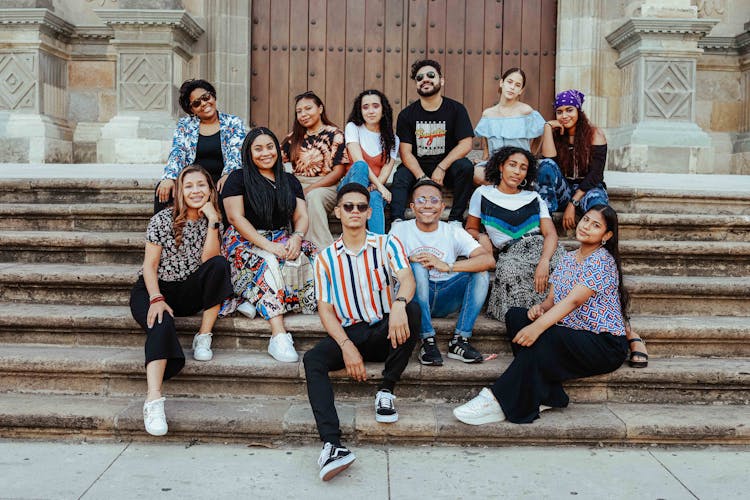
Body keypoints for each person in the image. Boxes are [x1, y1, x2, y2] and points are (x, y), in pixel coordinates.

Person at [453, 205, 629, 425]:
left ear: (607, 235)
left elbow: (573, 301)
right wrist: (540, 310)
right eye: (585, 220)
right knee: (516, 316)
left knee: (547, 338)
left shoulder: (602, 261)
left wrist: (538, 327)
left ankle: (497, 399)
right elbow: (551, 301)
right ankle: (549, 394)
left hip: (604, 344)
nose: (586, 227)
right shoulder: (567, 258)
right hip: (572, 334)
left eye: (596, 225)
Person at [303, 183, 420, 481]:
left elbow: (406, 279)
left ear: (369, 212)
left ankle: (386, 390)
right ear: (337, 211)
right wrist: (344, 344)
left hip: (385, 329)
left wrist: (398, 305)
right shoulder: (325, 258)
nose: (354, 211)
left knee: (413, 310)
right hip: (351, 331)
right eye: (348, 206)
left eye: (360, 207)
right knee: (313, 360)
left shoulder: (386, 243)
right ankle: (333, 444)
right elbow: (325, 309)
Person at [130, 165, 232, 436]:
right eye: (189, 186)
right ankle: (153, 400)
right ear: (180, 191)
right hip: (154, 289)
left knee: (220, 265)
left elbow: (209, 262)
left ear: (210, 190)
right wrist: (156, 298)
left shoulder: (214, 219)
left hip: (187, 290)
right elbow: (149, 266)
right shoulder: (162, 220)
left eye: (202, 185)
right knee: (161, 322)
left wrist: (212, 221)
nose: (196, 191)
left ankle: (204, 335)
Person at [220, 127, 318, 363]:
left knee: (314, 255)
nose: (265, 153)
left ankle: (255, 299)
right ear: (248, 152)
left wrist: (296, 237)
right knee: (267, 263)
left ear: (277, 149)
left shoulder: (290, 181)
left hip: (281, 237)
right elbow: (236, 218)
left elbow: (301, 215)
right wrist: (267, 245)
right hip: (244, 241)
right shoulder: (238, 178)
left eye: (270, 147)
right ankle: (279, 334)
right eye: (258, 148)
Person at [389, 179, 494, 366]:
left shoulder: (453, 231)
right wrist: (409, 260)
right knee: (418, 267)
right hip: (416, 298)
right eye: (421, 200)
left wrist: (447, 266)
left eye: (434, 200)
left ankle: (459, 341)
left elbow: (488, 260)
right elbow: (385, 261)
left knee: (481, 273)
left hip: (447, 295)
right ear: (412, 207)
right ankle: (427, 341)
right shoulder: (400, 229)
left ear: (442, 206)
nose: (427, 205)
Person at [466, 146, 565, 321]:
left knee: (563, 268)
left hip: (542, 248)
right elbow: (470, 228)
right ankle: (528, 320)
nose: (517, 172)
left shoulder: (534, 197)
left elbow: (550, 234)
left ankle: (556, 316)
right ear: (501, 166)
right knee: (509, 272)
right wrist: (481, 236)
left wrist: (544, 260)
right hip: (512, 253)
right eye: (512, 165)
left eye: (523, 168)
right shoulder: (482, 194)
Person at [390, 59, 475, 225]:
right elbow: (405, 153)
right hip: (418, 167)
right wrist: (421, 177)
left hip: (447, 168)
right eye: (420, 78)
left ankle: (456, 220)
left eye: (430, 75)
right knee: (400, 176)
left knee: (465, 167)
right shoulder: (406, 115)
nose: (425, 79)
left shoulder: (456, 109)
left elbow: (466, 144)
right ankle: (397, 222)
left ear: (441, 81)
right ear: (416, 85)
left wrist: (442, 167)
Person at [155, 79, 246, 213]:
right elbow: (177, 152)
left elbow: (236, 152)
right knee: (164, 188)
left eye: (206, 97)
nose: (204, 103)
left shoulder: (233, 122)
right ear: (192, 110)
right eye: (197, 103)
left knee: (230, 186)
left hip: (222, 179)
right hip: (194, 181)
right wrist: (169, 177)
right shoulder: (185, 125)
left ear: (213, 96)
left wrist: (229, 174)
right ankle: (162, 232)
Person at [281, 91, 352, 249]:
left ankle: (320, 249)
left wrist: (308, 189)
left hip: (326, 186)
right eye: (299, 111)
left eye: (308, 109)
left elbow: (338, 172)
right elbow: (275, 160)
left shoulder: (335, 135)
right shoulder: (293, 138)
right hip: (298, 182)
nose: (303, 114)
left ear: (320, 109)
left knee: (313, 196)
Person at [537, 89, 609, 230]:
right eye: (559, 112)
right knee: (545, 164)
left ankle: (600, 247)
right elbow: (549, 163)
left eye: (569, 110)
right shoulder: (555, 135)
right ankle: (546, 226)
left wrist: (573, 203)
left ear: (578, 111)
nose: (564, 116)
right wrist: (547, 128)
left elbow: (596, 175)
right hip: (564, 190)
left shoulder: (595, 134)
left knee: (599, 207)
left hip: (587, 189)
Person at [472, 68, 549, 184]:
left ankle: (506, 186)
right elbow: (487, 139)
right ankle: (508, 186)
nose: (512, 87)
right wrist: (485, 157)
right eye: (509, 82)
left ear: (521, 90)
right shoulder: (488, 114)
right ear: (501, 83)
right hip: (496, 165)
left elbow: (540, 134)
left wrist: (531, 155)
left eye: (517, 85)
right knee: (475, 174)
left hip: (518, 165)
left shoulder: (526, 111)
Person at [344, 89, 400, 234]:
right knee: (361, 165)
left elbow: (384, 174)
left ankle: (379, 244)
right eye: (365, 107)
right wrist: (381, 188)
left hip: (374, 188)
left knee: (375, 197)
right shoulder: (353, 128)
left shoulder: (393, 139)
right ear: (360, 110)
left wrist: (376, 188)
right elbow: (358, 161)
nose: (370, 111)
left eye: (375, 106)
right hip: (350, 186)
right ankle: (356, 230)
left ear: (383, 109)